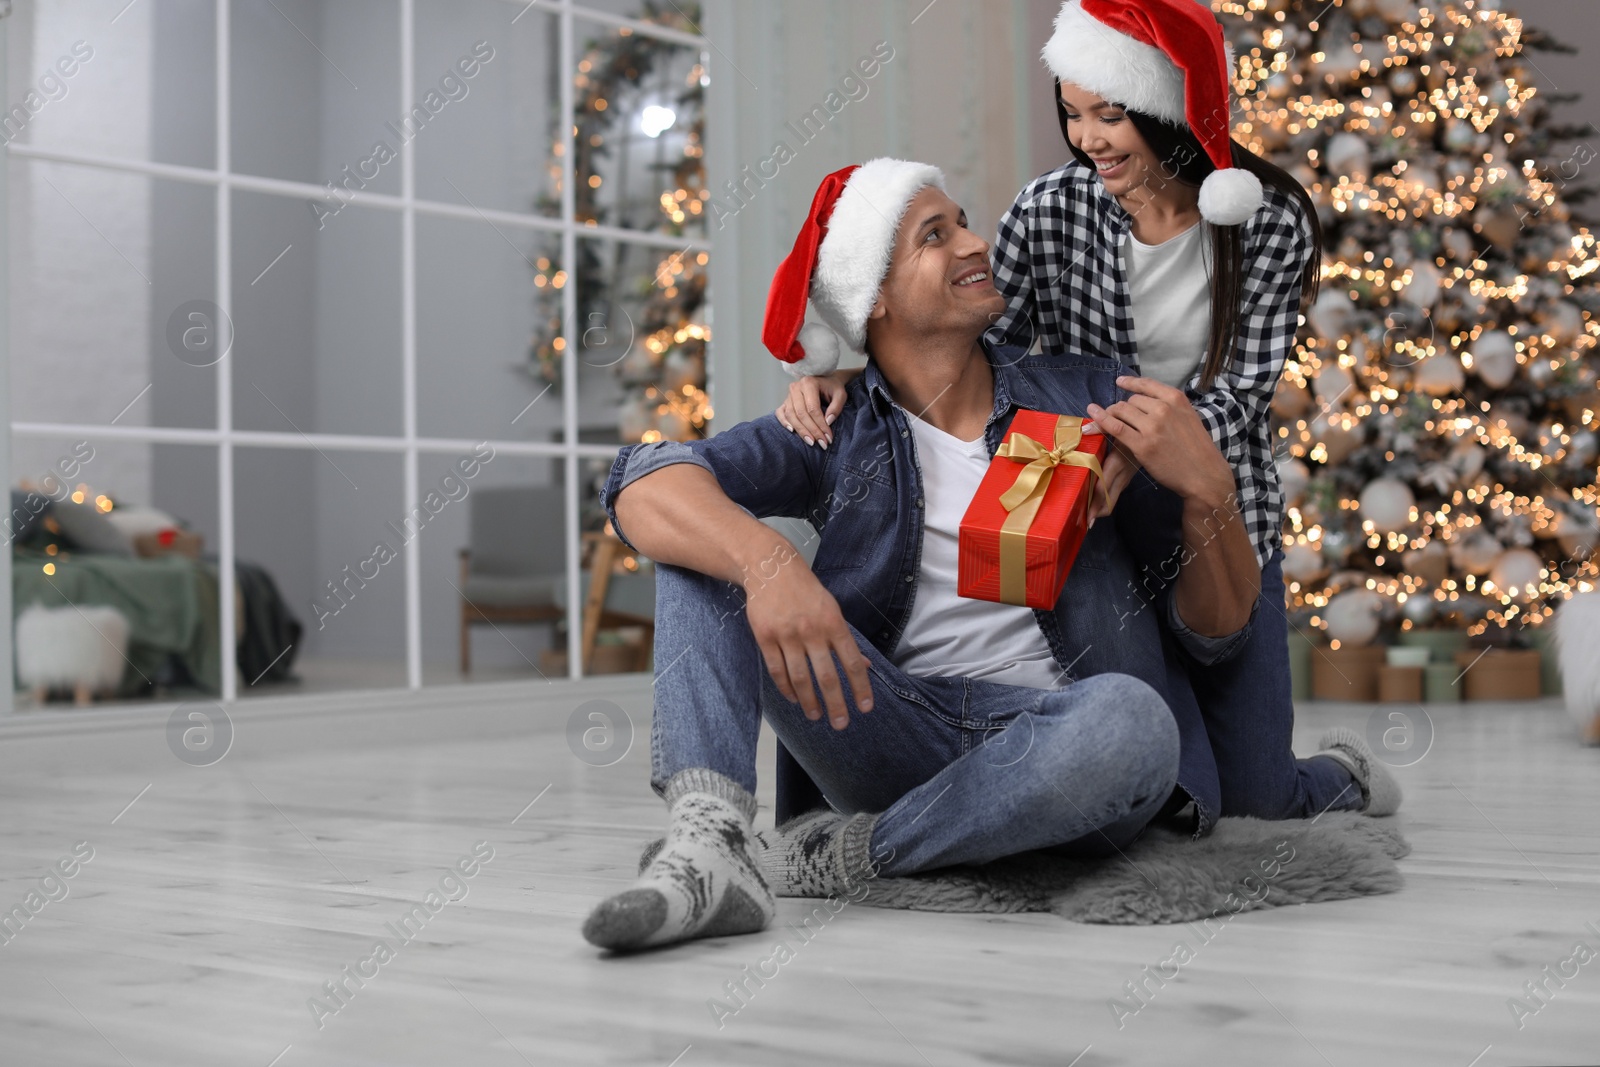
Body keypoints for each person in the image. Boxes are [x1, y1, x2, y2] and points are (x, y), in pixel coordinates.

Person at [580, 159, 1396, 954]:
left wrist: (1210, 495)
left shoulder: (1090, 397)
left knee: (1136, 722)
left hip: (1069, 745)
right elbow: (641, 483)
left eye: (964, 222)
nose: (975, 243)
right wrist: (767, 562)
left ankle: (844, 857)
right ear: (874, 301)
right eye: (937, 236)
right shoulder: (833, 429)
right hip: (889, 727)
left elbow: (1213, 633)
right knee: (701, 548)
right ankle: (712, 843)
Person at [775, 0, 1377, 825]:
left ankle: (1340, 775)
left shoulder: (1265, 218)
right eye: (1071, 112)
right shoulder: (1049, 210)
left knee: (1259, 799)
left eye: (1110, 114)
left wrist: (1146, 445)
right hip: (1081, 502)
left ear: (1170, 107)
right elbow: (985, 349)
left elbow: (1240, 394)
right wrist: (857, 363)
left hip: (1215, 499)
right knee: (1143, 746)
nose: (1087, 136)